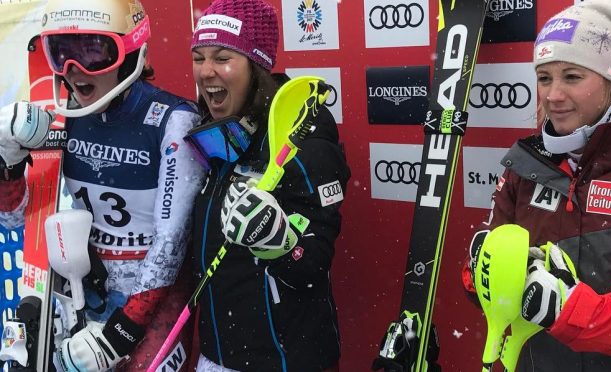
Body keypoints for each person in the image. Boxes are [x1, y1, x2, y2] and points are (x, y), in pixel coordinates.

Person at [461, 0, 611, 370]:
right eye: (544, 77)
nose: (552, 96)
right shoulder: (526, 161)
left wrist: (568, 308)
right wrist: (485, 273)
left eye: (572, 76)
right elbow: (477, 273)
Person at [0, 0, 205, 370]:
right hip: (85, 291)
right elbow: (16, 220)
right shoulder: (64, 116)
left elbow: (170, 245)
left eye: (94, 51)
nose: (74, 69)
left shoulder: (174, 120)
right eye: (60, 52)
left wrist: (118, 335)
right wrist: (8, 165)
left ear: (129, 52)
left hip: (153, 298)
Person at [186, 0, 350, 371]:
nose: (207, 71)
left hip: (283, 360)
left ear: (256, 66)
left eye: (223, 57)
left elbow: (312, 265)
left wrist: (281, 243)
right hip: (217, 354)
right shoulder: (214, 127)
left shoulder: (302, 135)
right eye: (199, 57)